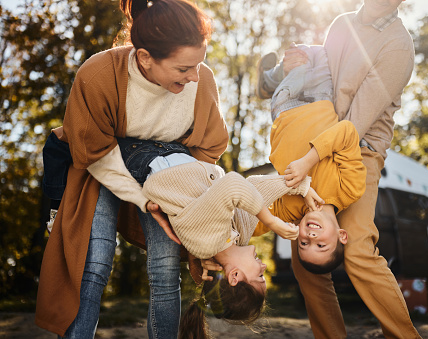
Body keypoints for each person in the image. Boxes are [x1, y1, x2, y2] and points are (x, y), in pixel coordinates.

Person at [35, 0, 228, 338]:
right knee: (92, 264)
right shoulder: (97, 76)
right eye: (184, 68)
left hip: (167, 174)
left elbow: (207, 149)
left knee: (166, 267)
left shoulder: (202, 82)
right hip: (102, 167)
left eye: (200, 63)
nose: (195, 76)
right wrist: (143, 202)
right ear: (144, 58)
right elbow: (94, 153)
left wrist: (182, 207)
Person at [257, 0, 422, 338]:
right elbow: (323, 74)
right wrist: (294, 65)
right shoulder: (343, 23)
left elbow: (356, 122)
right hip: (317, 140)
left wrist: (309, 158)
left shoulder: (398, 46)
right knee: (307, 262)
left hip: (358, 149)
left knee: (358, 249)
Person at [116, 137, 321, 338]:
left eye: (259, 277)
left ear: (234, 277)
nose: (264, 268)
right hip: (177, 152)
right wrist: (301, 187)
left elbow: (232, 184)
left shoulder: (207, 243)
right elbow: (254, 187)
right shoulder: (238, 237)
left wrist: (272, 221)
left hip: (146, 154)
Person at [256, 43, 366, 274]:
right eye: (321, 244)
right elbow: (346, 132)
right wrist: (308, 161)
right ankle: (270, 81)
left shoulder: (286, 212)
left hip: (286, 108)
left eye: (304, 244)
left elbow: (250, 219)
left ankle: (270, 82)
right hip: (320, 99)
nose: (311, 236)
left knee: (301, 54)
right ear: (341, 235)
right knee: (320, 51)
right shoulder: (349, 190)